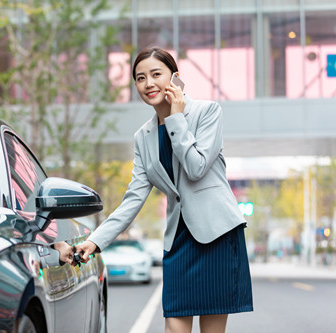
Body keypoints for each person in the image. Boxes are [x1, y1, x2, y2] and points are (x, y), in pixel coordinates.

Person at [75, 46, 253, 333]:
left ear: (175, 78)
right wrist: (95, 241)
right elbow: (133, 199)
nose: (148, 84)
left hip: (217, 235)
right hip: (179, 240)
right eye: (140, 78)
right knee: (174, 327)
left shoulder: (207, 112)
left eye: (156, 74)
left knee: (212, 330)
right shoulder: (142, 137)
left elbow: (196, 168)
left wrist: (176, 118)